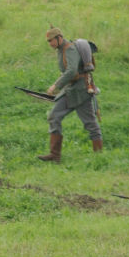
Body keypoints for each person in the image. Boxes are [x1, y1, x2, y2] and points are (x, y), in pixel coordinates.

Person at [37, 27, 103, 163]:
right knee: (54, 116)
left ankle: (100, 157)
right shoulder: (61, 50)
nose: (50, 44)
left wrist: (56, 85)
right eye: (48, 41)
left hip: (81, 91)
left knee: (90, 123)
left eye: (51, 40)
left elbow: (72, 71)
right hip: (70, 90)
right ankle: (55, 155)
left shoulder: (70, 49)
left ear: (59, 38)